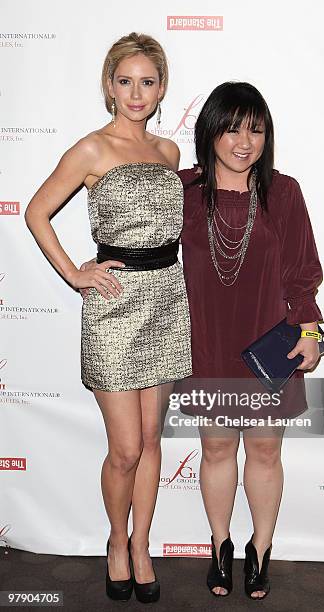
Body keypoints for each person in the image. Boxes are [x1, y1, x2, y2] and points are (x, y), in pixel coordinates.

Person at [25, 32, 192, 604]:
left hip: (167, 300)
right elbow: (37, 211)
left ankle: (142, 545)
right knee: (124, 447)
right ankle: (115, 542)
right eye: (126, 81)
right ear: (109, 87)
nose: (136, 92)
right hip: (116, 307)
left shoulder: (169, 154)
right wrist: (76, 272)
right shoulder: (92, 149)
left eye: (148, 81)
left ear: (162, 88)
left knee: (150, 439)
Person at [176, 82, 323, 600]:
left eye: (256, 130)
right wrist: (95, 263)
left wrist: (309, 329)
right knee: (216, 450)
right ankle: (220, 547)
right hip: (206, 343)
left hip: (268, 347)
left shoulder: (283, 192)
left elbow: (302, 271)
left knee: (264, 452)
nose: (245, 141)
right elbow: (144, 249)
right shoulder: (183, 191)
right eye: (233, 127)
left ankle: (260, 550)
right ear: (209, 130)